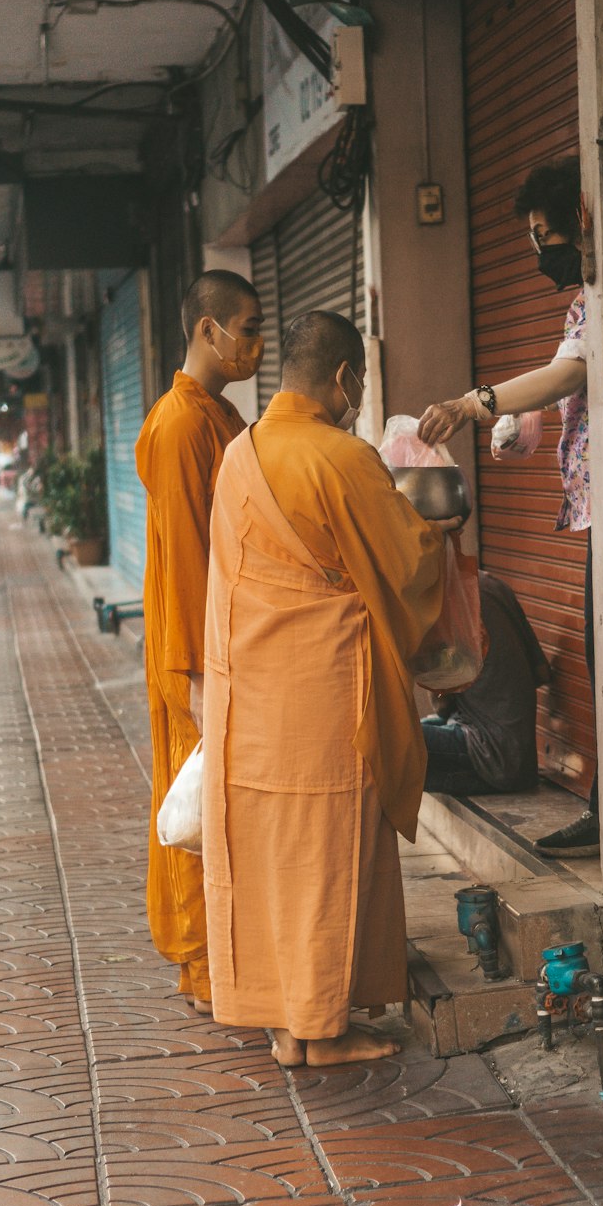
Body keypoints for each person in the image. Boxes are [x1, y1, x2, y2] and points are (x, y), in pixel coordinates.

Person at [202, 310, 455, 1067]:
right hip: (322, 695)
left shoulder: (238, 453)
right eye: (362, 382)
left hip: (247, 697)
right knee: (325, 852)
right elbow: (409, 563)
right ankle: (320, 1029)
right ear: (345, 379)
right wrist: (441, 517)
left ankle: (287, 1022)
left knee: (271, 860)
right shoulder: (341, 456)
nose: (360, 395)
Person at [418, 155, 599, 858]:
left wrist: (475, 402)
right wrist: (517, 424)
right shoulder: (584, 302)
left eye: (544, 236)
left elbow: (571, 370)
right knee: (601, 659)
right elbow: (561, 382)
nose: (537, 254)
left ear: (582, 224)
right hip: (590, 510)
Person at [135, 269, 264, 1014]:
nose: (254, 343)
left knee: (223, 807)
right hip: (193, 646)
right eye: (246, 328)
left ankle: (227, 960)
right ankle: (206, 967)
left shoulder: (214, 413)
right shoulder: (183, 423)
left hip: (224, 639)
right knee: (198, 810)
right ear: (207, 330)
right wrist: (192, 674)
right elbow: (186, 555)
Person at [422, 571, 550, 796]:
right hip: (522, 758)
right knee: (425, 726)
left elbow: (441, 703)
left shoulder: (443, 605)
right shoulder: (491, 584)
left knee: (383, 739)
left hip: (489, 756)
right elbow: (541, 672)